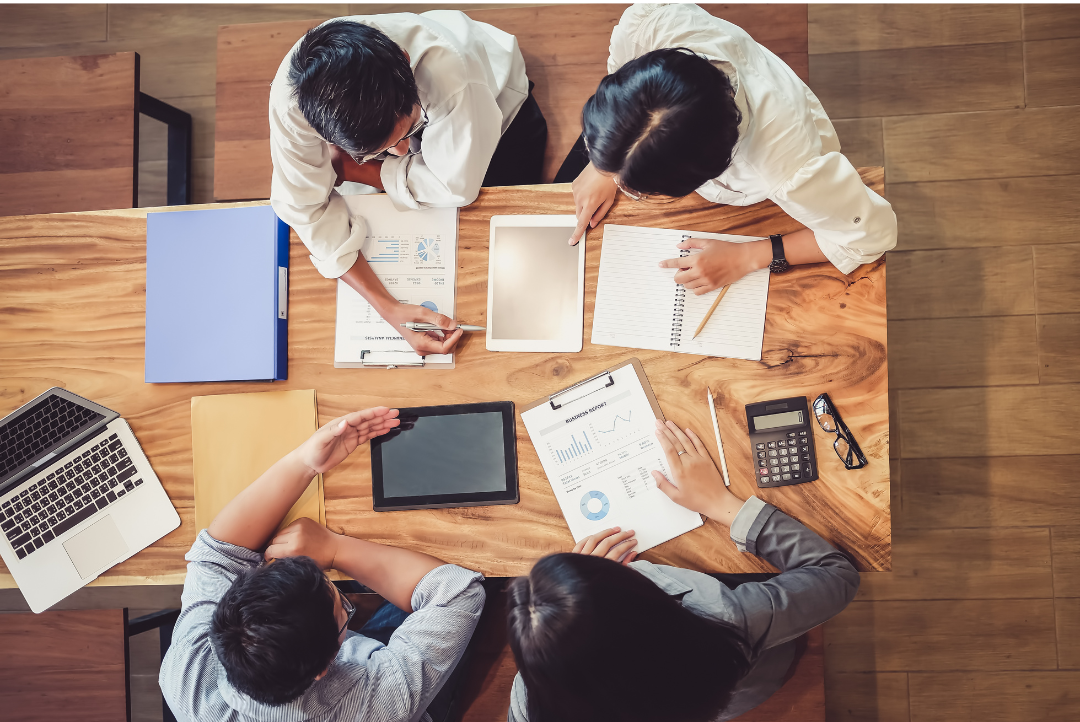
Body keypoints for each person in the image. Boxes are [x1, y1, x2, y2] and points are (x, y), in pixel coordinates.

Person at [506, 418, 860, 722]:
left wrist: (575, 609)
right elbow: (836, 575)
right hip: (745, 682)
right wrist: (722, 504)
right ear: (642, 600)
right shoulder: (727, 616)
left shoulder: (530, 702)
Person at [159, 406, 486, 722]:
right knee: (475, 567)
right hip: (388, 694)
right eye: (342, 608)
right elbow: (458, 591)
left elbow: (218, 556)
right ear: (326, 665)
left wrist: (304, 463)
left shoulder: (186, 677)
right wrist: (334, 549)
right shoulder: (380, 704)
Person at [560, 3, 896, 294]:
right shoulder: (648, 23)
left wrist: (747, 256)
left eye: (638, 188)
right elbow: (635, 101)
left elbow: (870, 236)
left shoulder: (787, 169)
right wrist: (613, 158)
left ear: (709, 167)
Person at [269, 12, 547, 356]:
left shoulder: (452, 73)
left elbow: (456, 187)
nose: (402, 152)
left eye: (408, 132)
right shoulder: (293, 105)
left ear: (405, 58)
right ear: (322, 133)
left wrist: (363, 171)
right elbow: (304, 208)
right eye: (382, 150)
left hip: (497, 106)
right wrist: (390, 310)